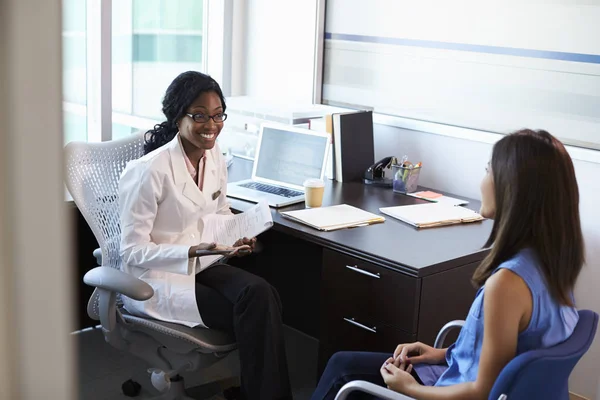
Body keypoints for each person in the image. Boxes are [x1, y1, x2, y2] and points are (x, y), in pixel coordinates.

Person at [311, 129, 585, 400]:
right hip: (466, 376)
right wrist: (442, 354)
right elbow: (510, 353)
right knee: (345, 364)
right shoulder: (554, 262)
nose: (482, 181)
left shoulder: (507, 284)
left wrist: (410, 388)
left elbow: (482, 392)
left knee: (343, 373)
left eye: (488, 171)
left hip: (453, 390)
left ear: (513, 189)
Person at [118, 71, 292, 400]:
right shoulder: (148, 171)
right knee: (259, 314)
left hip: (204, 262)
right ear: (177, 116)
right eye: (199, 116)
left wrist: (238, 234)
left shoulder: (213, 156)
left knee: (262, 293)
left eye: (217, 115)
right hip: (157, 279)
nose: (210, 125)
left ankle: (258, 391)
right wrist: (191, 251)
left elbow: (220, 210)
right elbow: (132, 251)